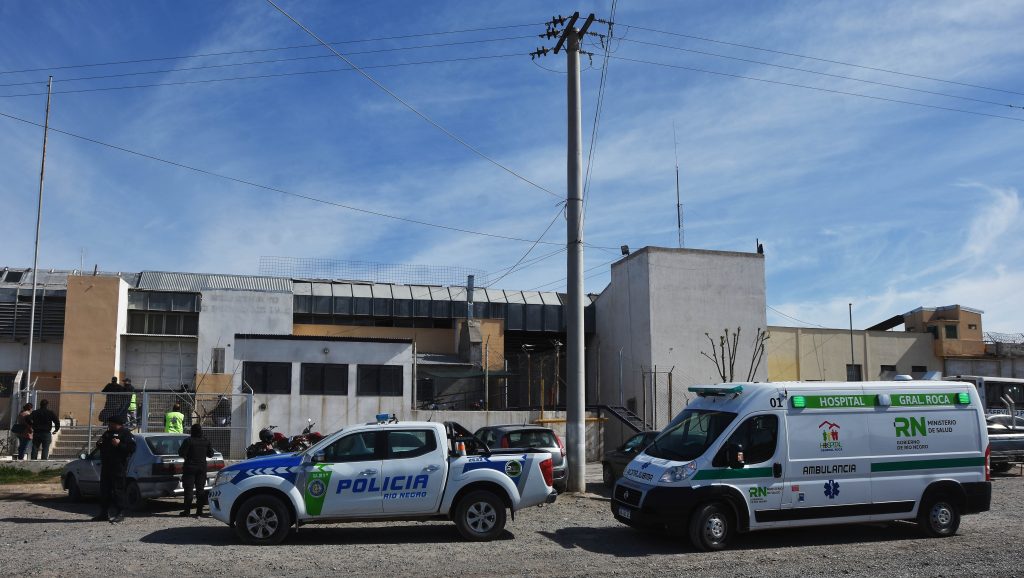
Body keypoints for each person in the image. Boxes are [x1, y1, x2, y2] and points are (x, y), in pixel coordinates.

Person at [93, 415, 136, 523]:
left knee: (118, 490)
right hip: (106, 466)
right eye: (109, 423)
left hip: (118, 467)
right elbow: (101, 444)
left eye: (112, 423)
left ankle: (120, 512)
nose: (109, 425)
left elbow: (131, 448)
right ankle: (104, 513)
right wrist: (99, 445)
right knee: (104, 490)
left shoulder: (125, 433)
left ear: (118, 424)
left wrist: (119, 444)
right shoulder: (107, 433)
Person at [178, 423, 215, 517]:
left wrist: (187, 457)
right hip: (202, 468)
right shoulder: (206, 441)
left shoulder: (188, 441)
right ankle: (199, 511)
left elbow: (181, 453)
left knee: (189, 490)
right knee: (200, 490)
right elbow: (211, 454)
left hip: (190, 467)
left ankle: (187, 511)